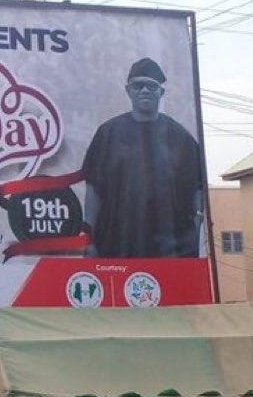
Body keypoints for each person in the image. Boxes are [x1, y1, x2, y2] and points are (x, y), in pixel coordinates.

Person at [82, 57, 203, 258]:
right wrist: (89, 238)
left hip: (170, 250)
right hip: (115, 245)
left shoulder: (181, 138)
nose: (145, 91)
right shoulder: (108, 134)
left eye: (151, 86)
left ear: (161, 92)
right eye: (138, 86)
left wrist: (196, 236)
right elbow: (93, 189)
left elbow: (197, 190)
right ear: (128, 90)